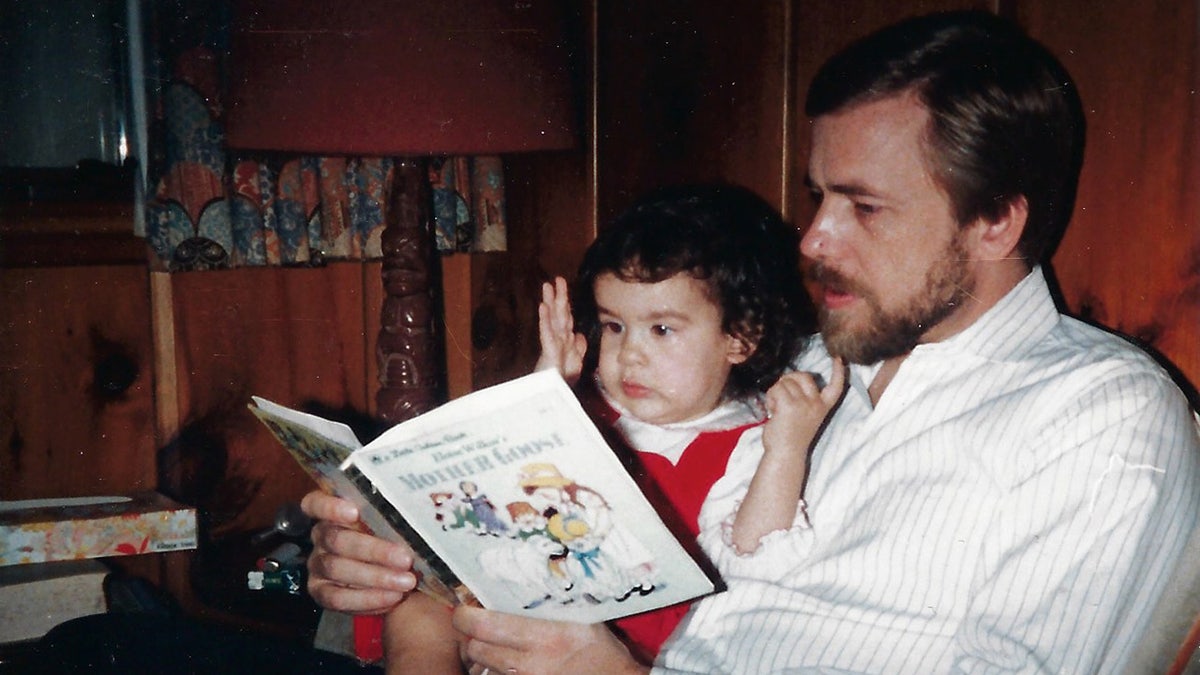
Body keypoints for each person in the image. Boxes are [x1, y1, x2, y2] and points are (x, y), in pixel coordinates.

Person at [304, 10, 1200, 674]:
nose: (813, 238)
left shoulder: (1100, 418)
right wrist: (397, 556)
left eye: (865, 207)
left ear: (997, 221)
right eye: (819, 197)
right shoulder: (799, 367)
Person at [371, 182, 833, 671]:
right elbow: (510, 481)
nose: (629, 354)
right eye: (614, 326)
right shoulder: (589, 406)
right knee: (418, 609)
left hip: (630, 653)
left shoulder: (749, 441)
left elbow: (755, 556)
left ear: (739, 339)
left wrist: (785, 452)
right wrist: (548, 388)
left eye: (662, 329)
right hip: (530, 605)